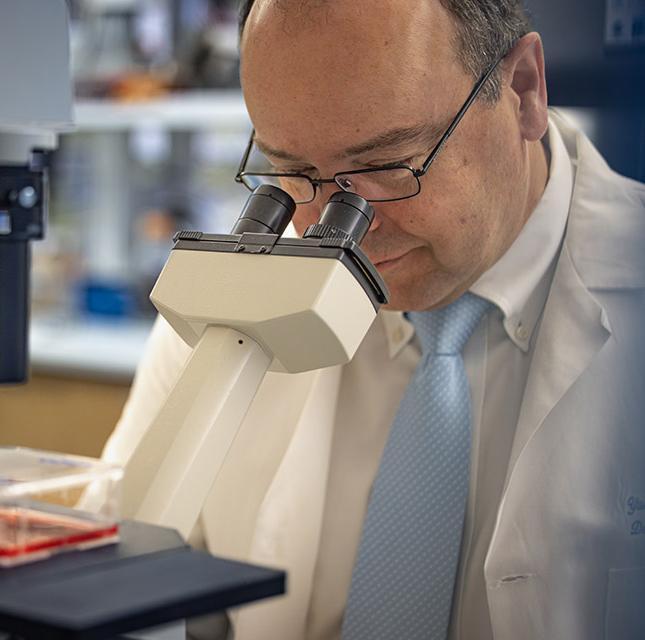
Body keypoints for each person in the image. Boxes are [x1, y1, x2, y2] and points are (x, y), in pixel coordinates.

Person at [102, 0, 645, 638]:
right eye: (293, 173)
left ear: (523, 89)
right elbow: (120, 573)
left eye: (387, 166)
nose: (345, 226)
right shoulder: (230, 307)